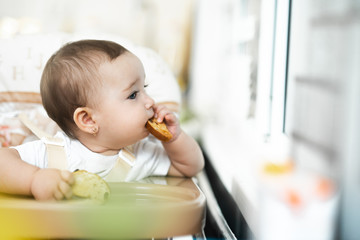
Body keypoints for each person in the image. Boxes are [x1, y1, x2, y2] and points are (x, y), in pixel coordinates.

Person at [0, 39, 204, 201]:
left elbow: (188, 167)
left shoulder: (139, 153)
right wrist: (34, 180)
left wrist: (174, 138)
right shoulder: (54, 153)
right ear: (88, 119)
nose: (150, 102)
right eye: (133, 95)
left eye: (145, 89)